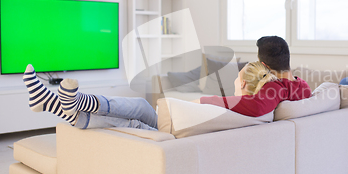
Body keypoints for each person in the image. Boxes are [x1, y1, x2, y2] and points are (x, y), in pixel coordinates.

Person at [22, 61, 278, 130]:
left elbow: (193, 105)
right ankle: (59, 103)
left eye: (237, 75)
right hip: (174, 128)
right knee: (140, 106)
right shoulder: (258, 109)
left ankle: (59, 104)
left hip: (172, 135)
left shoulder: (231, 103)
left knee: (132, 119)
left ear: (242, 82)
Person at [198, 36, 312, 116]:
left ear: (263, 65)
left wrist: (208, 101)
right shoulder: (304, 86)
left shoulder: (275, 87)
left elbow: (256, 107)